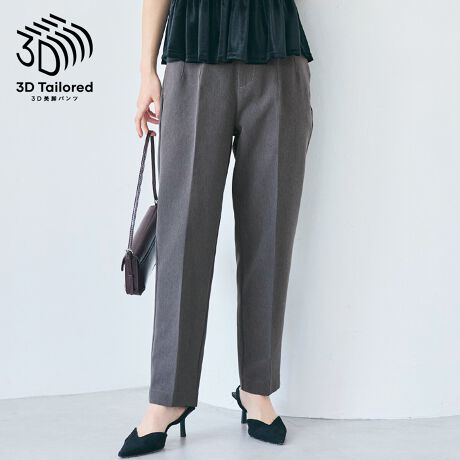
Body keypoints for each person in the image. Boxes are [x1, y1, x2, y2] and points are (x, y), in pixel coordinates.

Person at [118, 0, 314, 456]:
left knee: (270, 233)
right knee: (183, 235)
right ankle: (168, 396)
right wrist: (147, 71)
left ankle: (256, 389)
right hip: (194, 56)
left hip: (278, 55)